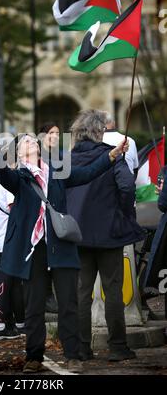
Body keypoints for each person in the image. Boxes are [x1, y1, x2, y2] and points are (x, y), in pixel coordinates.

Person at [0, 122, 129, 374]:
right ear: (18, 153)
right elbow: (0, 171)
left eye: (32, 139)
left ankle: (73, 355)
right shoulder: (18, 178)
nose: (30, 141)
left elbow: (87, 173)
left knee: (69, 304)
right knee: (34, 307)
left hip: (60, 247)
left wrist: (112, 155)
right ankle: (34, 356)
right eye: (25, 141)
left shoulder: (57, 172)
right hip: (33, 252)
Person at [66, 109, 145, 362]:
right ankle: (118, 346)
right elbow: (126, 186)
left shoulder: (67, 160)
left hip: (77, 234)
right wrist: (123, 214)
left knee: (81, 292)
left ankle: (81, 348)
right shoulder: (111, 157)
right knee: (113, 290)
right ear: (99, 131)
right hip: (110, 231)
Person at [0, 168, 25, 340]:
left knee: (12, 283)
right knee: (6, 282)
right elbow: (14, 208)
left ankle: (16, 325)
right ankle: (0, 326)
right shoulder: (5, 183)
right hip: (8, 239)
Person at [39, 122, 61, 314]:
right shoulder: (39, 157)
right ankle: (46, 295)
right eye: (51, 133)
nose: (55, 136)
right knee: (44, 257)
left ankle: (54, 294)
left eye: (58, 133)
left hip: (57, 212)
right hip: (42, 214)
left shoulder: (61, 157)